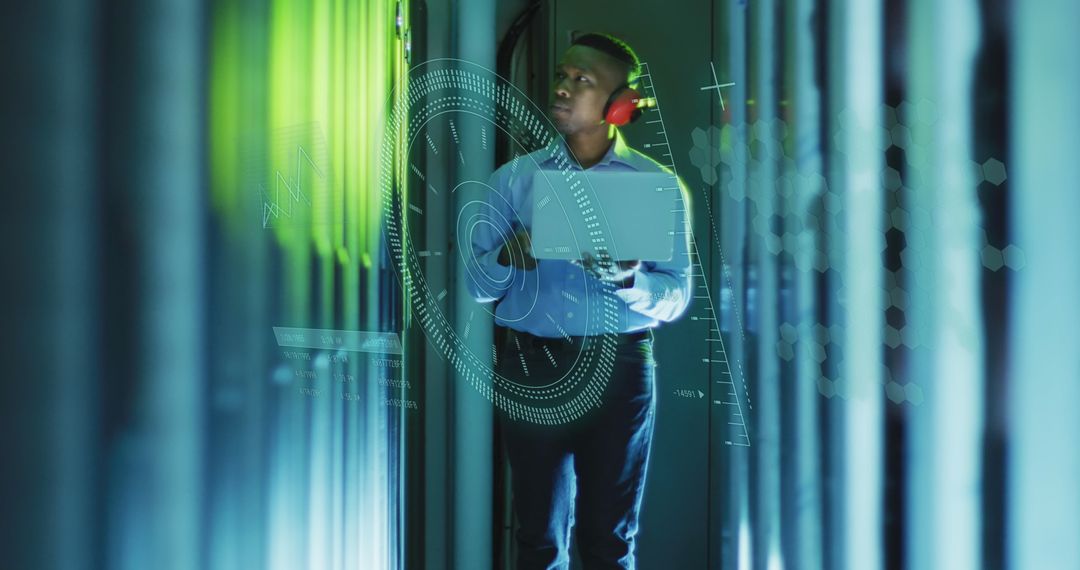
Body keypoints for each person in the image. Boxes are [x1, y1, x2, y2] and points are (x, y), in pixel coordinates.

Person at [464, 33, 693, 569]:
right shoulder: (513, 182)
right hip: (533, 362)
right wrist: (504, 260)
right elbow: (476, 286)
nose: (562, 89)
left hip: (622, 367)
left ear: (618, 106)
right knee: (539, 538)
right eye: (562, 76)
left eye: (581, 81)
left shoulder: (659, 187)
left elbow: (678, 296)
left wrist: (632, 281)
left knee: (610, 540)